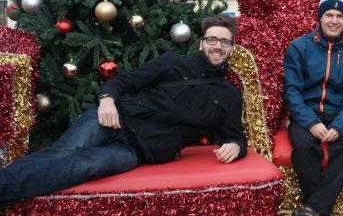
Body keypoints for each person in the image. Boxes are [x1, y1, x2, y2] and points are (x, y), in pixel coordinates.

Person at [0, 13, 246, 203]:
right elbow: (123, 81)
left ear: (231, 48)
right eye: (212, 39)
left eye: (224, 41)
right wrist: (106, 99)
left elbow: (235, 137)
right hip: (116, 118)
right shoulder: (173, 62)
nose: (218, 45)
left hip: (139, 150)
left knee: (86, 165)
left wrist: (235, 146)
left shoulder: (230, 96)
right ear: (202, 43)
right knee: (63, 152)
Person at [283, 0, 343, 216]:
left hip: (340, 114)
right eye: (329, 14)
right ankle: (321, 209)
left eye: (340, 16)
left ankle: (312, 208)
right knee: (304, 146)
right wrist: (311, 123)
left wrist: (339, 126)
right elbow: (291, 91)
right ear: (320, 17)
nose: (334, 20)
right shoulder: (299, 47)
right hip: (306, 114)